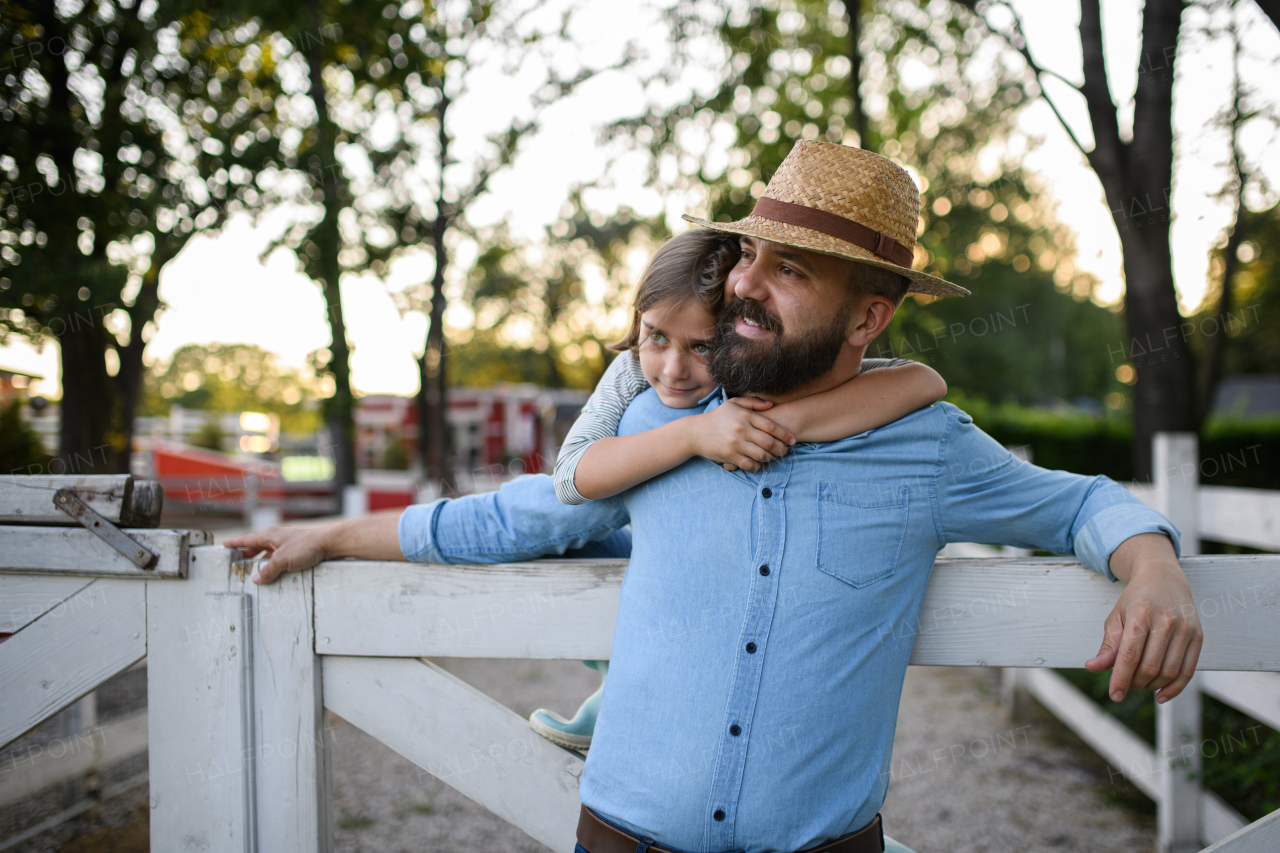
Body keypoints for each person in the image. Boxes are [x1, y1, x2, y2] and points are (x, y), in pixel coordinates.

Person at [229, 141, 1202, 853]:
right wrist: (333, 530)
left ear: (869, 315)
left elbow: (1076, 504)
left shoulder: (925, 447)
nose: (745, 282)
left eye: (789, 269)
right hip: (619, 839)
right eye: (746, 255)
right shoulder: (662, 421)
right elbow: (506, 518)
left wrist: (1150, 561)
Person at [527, 227, 946, 751]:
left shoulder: (754, 365)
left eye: (702, 346)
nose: (673, 369)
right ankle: (612, 690)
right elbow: (569, 479)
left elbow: (924, 381)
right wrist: (694, 434)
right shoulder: (633, 368)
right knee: (553, 537)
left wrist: (787, 419)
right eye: (655, 335)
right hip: (641, 544)